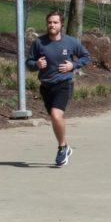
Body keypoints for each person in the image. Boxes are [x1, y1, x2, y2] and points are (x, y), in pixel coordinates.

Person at [26, 10, 91, 167]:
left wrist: (72, 65)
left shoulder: (71, 42)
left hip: (63, 84)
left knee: (56, 115)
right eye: (49, 22)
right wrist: (37, 65)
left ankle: (62, 147)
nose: (52, 25)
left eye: (55, 22)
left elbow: (86, 56)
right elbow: (29, 63)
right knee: (55, 120)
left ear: (61, 24)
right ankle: (65, 146)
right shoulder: (39, 43)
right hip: (46, 86)